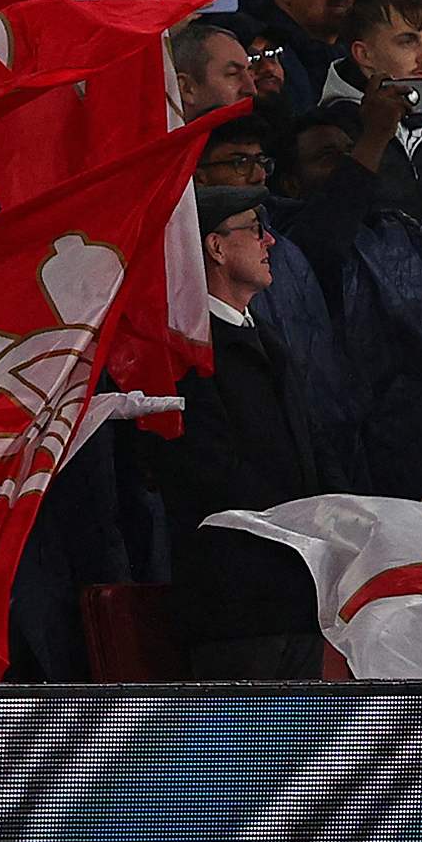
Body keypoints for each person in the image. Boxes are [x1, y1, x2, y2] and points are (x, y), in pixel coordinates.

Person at [137, 188, 340, 678]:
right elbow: (209, 474)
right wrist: (308, 518)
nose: (269, 240)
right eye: (253, 227)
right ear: (216, 247)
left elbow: (314, 456)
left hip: (297, 596)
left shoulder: (268, 342)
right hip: (235, 607)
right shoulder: (183, 356)